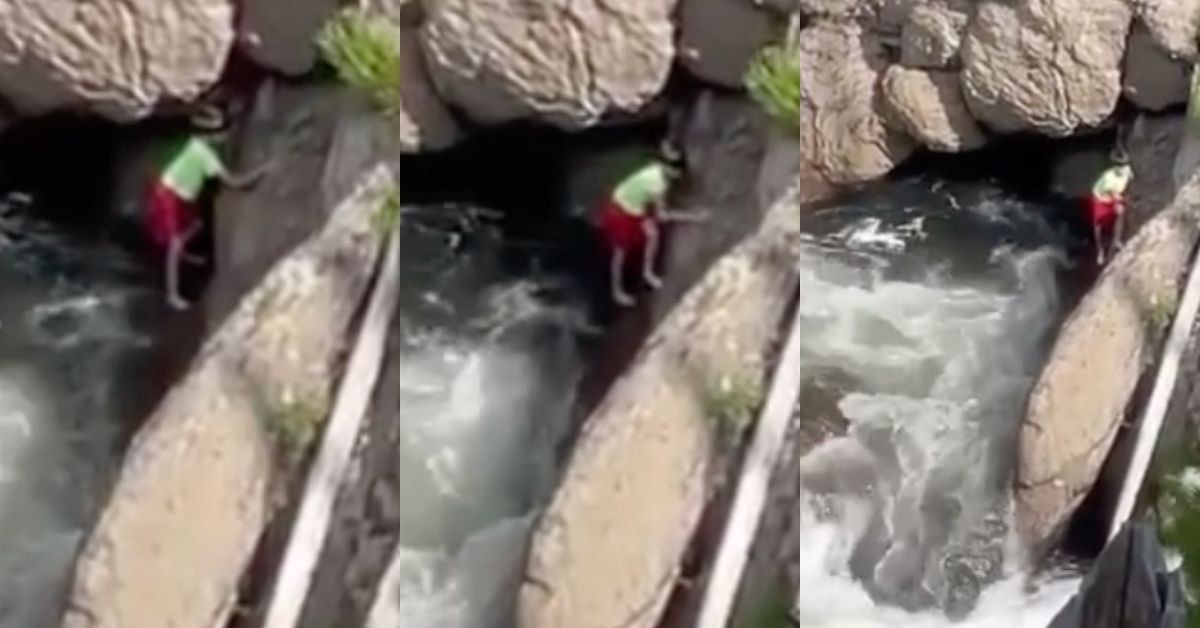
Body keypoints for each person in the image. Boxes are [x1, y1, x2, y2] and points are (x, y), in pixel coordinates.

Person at [146, 105, 272, 310]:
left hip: (176, 191)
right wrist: (261, 171)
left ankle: (185, 253)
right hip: (169, 194)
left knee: (195, 224)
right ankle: (172, 294)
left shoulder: (197, 145)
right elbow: (234, 182)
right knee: (175, 243)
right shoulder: (206, 156)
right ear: (212, 135)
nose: (225, 136)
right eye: (222, 132)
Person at [597, 142, 706, 307]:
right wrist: (693, 217)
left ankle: (648, 273)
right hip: (623, 209)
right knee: (621, 251)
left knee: (651, 235)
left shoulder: (656, 170)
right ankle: (617, 290)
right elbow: (663, 215)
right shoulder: (659, 185)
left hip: (629, 200)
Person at [1086, 152, 1134, 266]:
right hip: (1101, 198)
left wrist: (1122, 200)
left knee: (1121, 213)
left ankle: (1117, 239)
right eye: (1119, 165)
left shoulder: (1126, 170)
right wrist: (1116, 201)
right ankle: (1100, 250)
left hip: (1115, 195)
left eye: (1124, 164)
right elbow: (1109, 191)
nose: (1122, 167)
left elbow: (1130, 180)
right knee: (1098, 225)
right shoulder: (1108, 177)